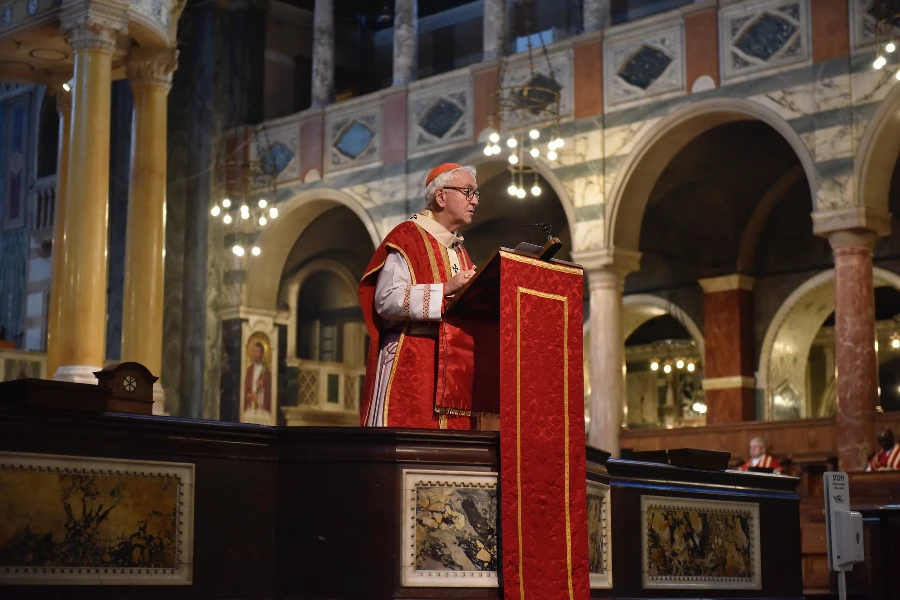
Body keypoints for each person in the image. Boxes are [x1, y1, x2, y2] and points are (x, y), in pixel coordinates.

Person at [359, 163, 480, 429]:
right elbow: (386, 300)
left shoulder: (458, 248)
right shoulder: (407, 237)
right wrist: (445, 289)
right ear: (441, 196)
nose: (475, 201)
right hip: (411, 357)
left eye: (476, 194)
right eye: (468, 191)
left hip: (452, 366)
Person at [243, 342, 272, 413]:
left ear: (262, 354)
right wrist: (249, 396)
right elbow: (246, 390)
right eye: (254, 352)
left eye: (258, 352)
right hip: (251, 408)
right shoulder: (250, 370)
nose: (256, 354)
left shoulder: (266, 371)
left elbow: (269, 392)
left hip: (261, 407)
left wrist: (262, 386)